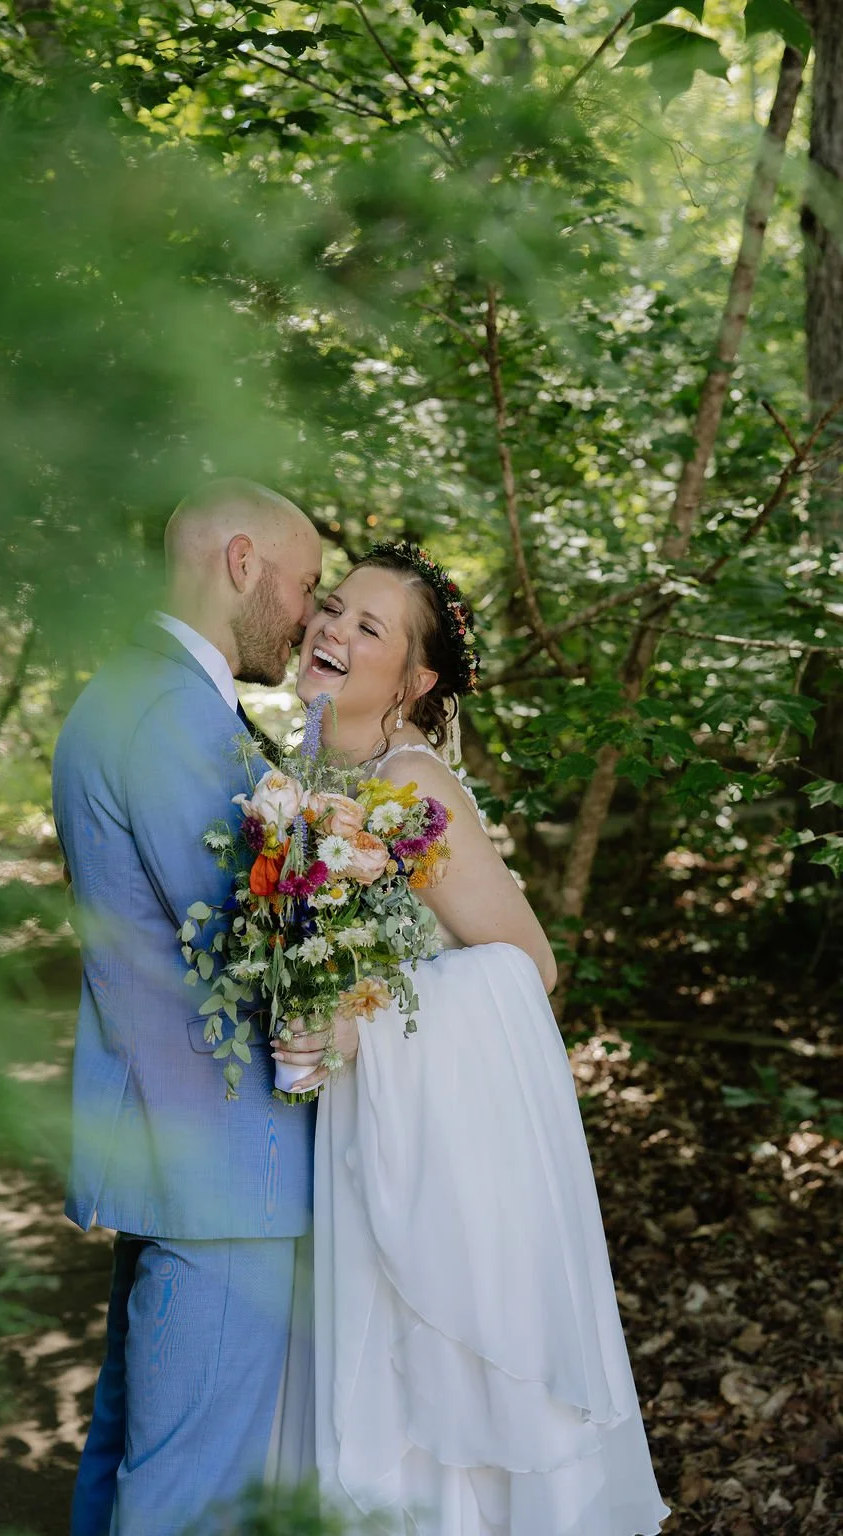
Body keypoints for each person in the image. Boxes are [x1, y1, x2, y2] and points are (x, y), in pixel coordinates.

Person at [274, 542, 670, 1535]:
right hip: (347, 1129)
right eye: (332, 609)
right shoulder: (303, 775)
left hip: (433, 1143)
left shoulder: (413, 788)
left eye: (368, 628)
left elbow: (524, 966)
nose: (332, 630)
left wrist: (362, 1019)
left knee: (431, 1391)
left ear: (414, 681)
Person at [52, 478, 332, 1536]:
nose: (309, 614)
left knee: (134, 1455)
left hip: (174, 1149)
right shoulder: (169, 709)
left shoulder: (146, 693)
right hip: (218, 1163)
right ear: (243, 561)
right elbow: (246, 930)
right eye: (306, 584)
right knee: (188, 1492)